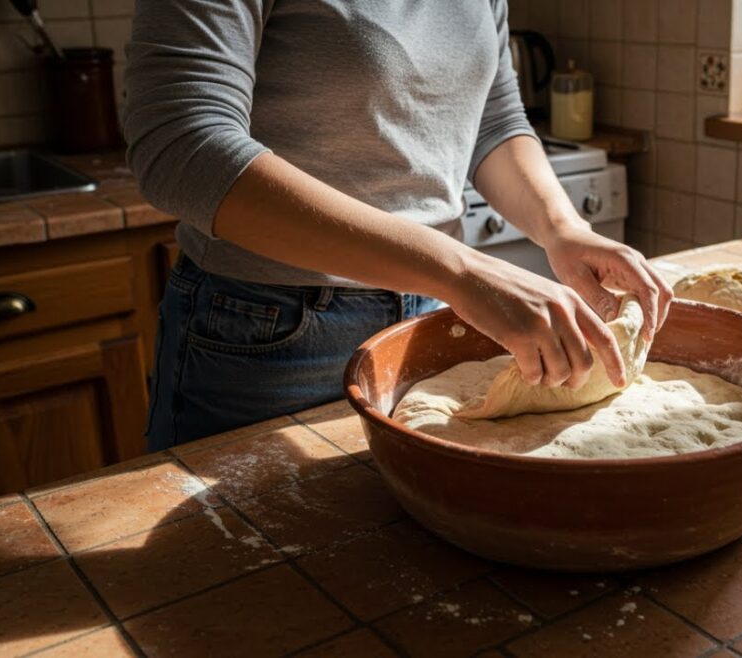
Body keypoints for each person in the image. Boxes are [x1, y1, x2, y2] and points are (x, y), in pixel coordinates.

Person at [124, 0, 672, 451]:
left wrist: (562, 228)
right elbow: (181, 146)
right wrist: (460, 270)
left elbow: (493, 120)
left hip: (430, 314)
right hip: (269, 330)